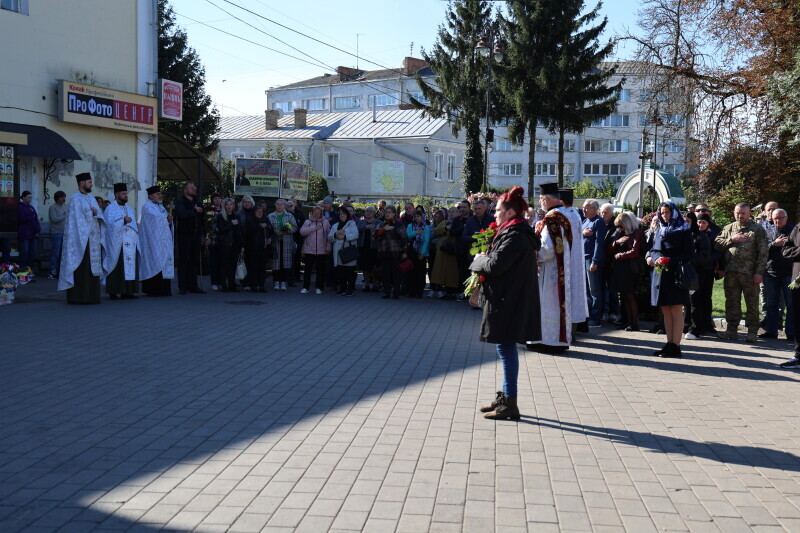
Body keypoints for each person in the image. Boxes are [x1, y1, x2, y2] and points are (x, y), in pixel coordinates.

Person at [471, 187, 541, 421]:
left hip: (509, 300)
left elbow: (495, 266)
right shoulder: (512, 231)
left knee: (506, 348)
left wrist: (479, 261)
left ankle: (510, 402)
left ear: (510, 212)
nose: (495, 214)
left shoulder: (516, 235)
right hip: (508, 297)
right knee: (505, 347)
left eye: (498, 210)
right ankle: (506, 397)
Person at [529, 183, 574, 353]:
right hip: (560, 269)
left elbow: (547, 250)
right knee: (554, 306)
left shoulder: (551, 220)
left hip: (549, 273)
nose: (540, 202)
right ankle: (555, 340)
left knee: (547, 305)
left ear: (547, 199)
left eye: (541, 199)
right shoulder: (563, 216)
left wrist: (531, 255)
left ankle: (547, 341)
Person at [646, 202, 694, 358]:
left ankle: (676, 345)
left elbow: (689, 254)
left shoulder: (684, 229)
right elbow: (654, 249)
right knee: (665, 308)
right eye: (662, 213)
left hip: (675, 274)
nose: (664, 215)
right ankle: (669, 343)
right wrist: (656, 258)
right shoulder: (660, 229)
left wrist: (668, 260)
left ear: (673, 213)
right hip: (661, 273)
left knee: (675, 309)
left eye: (667, 212)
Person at [715, 203, 768, 342]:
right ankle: (731, 330)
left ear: (749, 213)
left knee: (751, 303)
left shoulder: (757, 229)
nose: (740, 216)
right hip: (731, 273)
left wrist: (759, 272)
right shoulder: (729, 228)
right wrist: (731, 240)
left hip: (749, 274)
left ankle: (752, 332)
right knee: (731, 302)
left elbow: (763, 253)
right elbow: (717, 245)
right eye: (737, 213)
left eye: (743, 213)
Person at [58, 173, 106, 304]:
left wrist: (96, 214)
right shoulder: (75, 199)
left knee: (92, 269)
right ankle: (79, 297)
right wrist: (92, 213)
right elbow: (77, 220)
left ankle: (92, 296)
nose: (92, 184)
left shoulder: (91, 198)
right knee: (82, 269)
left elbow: (99, 214)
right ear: (82, 183)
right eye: (89, 182)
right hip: (80, 241)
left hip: (93, 241)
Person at [103, 183, 140, 299]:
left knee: (130, 266)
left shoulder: (128, 208)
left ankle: (128, 291)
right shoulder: (110, 208)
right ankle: (113, 291)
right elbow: (109, 225)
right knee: (117, 267)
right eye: (123, 194)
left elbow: (134, 225)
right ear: (116, 194)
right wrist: (123, 221)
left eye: (126, 193)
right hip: (117, 243)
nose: (126, 195)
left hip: (130, 242)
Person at [559, 188, 589, 332]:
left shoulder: (565, 214)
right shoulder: (575, 214)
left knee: (569, 293)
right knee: (575, 293)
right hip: (575, 258)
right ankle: (574, 327)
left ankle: (569, 329)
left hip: (568, 258)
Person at [762, 209, 794, 340]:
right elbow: (763, 249)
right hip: (771, 273)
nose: (777, 221)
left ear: (786, 218)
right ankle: (771, 331)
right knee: (771, 304)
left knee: (791, 305)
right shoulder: (768, 231)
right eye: (775, 218)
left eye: (780, 218)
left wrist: (786, 244)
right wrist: (775, 244)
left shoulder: (794, 230)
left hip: (789, 273)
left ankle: (791, 333)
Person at [609, 211, 644, 331]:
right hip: (620, 268)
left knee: (630, 295)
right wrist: (616, 242)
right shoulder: (620, 233)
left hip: (629, 268)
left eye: (621, 226)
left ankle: (634, 324)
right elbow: (609, 248)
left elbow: (635, 251)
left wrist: (620, 255)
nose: (620, 228)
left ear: (627, 224)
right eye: (618, 226)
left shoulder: (637, 233)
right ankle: (628, 321)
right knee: (624, 296)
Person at [138, 185, 174, 297]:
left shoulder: (161, 207)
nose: (160, 195)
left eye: (160, 193)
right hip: (152, 242)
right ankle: (153, 290)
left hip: (163, 242)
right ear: (150, 196)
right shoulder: (147, 207)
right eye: (157, 194)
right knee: (155, 262)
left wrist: (169, 220)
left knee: (163, 263)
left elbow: (164, 222)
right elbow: (154, 220)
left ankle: (164, 289)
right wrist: (165, 218)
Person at [682, 212, 712, 338]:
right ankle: (685, 325)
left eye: (688, 221)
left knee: (695, 301)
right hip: (683, 272)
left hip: (697, 273)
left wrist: (690, 259)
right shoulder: (681, 235)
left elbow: (705, 256)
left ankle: (695, 328)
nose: (685, 224)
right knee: (685, 301)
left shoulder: (700, 236)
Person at [692, 213, 721, 337]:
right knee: (695, 299)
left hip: (708, 270)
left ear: (708, 224)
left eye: (703, 222)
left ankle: (707, 324)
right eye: (699, 222)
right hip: (695, 270)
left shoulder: (713, 236)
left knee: (706, 297)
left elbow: (718, 252)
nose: (700, 225)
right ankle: (696, 325)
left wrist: (707, 258)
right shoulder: (692, 234)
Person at [174, 182, 205, 294]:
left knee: (194, 260)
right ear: (185, 190)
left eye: (195, 187)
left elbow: (202, 219)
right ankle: (182, 286)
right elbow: (182, 215)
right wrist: (194, 211)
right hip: (184, 235)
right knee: (183, 260)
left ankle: (193, 285)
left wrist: (203, 235)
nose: (194, 189)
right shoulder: (180, 202)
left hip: (196, 235)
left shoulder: (198, 202)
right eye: (192, 188)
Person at [581, 199, 606, 327]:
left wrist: (595, 261)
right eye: (584, 207)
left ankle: (596, 317)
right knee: (586, 290)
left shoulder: (598, 222)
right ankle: (588, 314)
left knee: (594, 290)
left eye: (586, 207)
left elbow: (599, 243)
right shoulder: (585, 221)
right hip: (584, 258)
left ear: (594, 209)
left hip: (591, 259)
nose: (583, 209)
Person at [374, 205, 407, 299]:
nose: (387, 214)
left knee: (396, 274)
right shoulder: (381, 224)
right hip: (384, 252)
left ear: (394, 214)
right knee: (385, 273)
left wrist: (405, 252)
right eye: (386, 212)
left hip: (396, 252)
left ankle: (396, 293)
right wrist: (384, 229)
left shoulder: (398, 225)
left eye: (389, 212)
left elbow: (404, 239)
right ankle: (386, 292)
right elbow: (374, 236)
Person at [779, 221, 800, 367]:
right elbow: (786, 250)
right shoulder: (798, 227)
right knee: (798, 316)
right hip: (798, 280)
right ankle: (799, 356)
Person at [300, 205, 331, 294]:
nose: (317, 214)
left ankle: (319, 287)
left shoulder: (325, 222)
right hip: (309, 249)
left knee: (320, 270)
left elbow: (329, 236)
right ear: (312, 213)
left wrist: (328, 247)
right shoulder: (307, 222)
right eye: (315, 213)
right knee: (308, 270)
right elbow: (302, 232)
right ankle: (306, 287)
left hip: (322, 250)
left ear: (321, 213)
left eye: (318, 213)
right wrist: (314, 228)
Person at [267, 198, 297, 290]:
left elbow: (295, 227)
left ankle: (283, 282)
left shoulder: (289, 216)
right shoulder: (270, 216)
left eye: (281, 204)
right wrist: (275, 233)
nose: (279, 206)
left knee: (285, 263)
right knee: (276, 263)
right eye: (278, 204)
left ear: (285, 206)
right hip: (275, 242)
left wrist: (287, 231)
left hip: (286, 242)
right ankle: (276, 282)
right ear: (275, 205)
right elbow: (267, 229)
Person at [329, 206, 359, 295]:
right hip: (338, 251)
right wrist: (335, 234)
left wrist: (345, 236)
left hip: (348, 251)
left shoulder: (351, 223)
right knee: (340, 271)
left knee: (349, 271)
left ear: (347, 215)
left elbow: (356, 235)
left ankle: (349, 289)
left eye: (344, 214)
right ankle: (342, 288)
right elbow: (329, 237)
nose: (342, 216)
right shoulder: (335, 225)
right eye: (340, 214)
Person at [431, 208, 460, 298]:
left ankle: (452, 290)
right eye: (450, 212)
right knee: (441, 268)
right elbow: (435, 231)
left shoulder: (460, 222)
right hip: (443, 248)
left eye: (454, 211)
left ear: (458, 213)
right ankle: (440, 288)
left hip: (454, 248)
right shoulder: (445, 222)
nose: (451, 213)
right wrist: (445, 228)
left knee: (452, 270)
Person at [216, 198, 243, 292]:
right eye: (227, 204)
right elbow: (220, 230)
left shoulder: (236, 216)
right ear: (224, 206)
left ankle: (232, 284)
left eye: (231, 204)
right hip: (225, 244)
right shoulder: (221, 216)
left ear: (233, 206)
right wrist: (231, 224)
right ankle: (223, 285)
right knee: (224, 265)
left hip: (235, 244)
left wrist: (241, 245)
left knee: (233, 265)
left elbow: (239, 231)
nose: (229, 206)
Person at [599, 202, 620, 323]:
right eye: (601, 212)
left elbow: (610, 244)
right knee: (601, 288)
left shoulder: (615, 228)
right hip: (602, 262)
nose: (603, 214)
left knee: (612, 289)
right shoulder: (600, 225)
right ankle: (604, 312)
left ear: (612, 214)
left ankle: (614, 312)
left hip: (611, 262)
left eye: (605, 212)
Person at [405, 211, 431, 298]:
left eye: (419, 216)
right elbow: (407, 236)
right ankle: (411, 291)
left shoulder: (426, 227)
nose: (417, 218)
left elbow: (426, 240)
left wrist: (422, 253)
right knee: (411, 273)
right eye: (415, 216)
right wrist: (415, 233)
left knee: (420, 273)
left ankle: (419, 292)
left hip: (421, 253)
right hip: (412, 252)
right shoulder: (410, 226)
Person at [356, 206, 381, 292]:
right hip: (363, 247)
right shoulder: (361, 222)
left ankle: (375, 284)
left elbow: (381, 233)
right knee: (365, 267)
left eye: (370, 212)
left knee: (373, 267)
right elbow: (357, 229)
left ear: (374, 213)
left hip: (374, 248)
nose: (368, 213)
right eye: (366, 211)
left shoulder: (378, 222)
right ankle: (366, 284)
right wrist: (367, 227)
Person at [248, 206, 272, 292]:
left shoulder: (266, 220)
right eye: (258, 211)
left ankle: (261, 285)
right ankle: (253, 285)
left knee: (262, 268)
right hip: (253, 248)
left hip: (263, 248)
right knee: (253, 267)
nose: (259, 213)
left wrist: (270, 238)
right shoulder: (250, 220)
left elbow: (271, 231)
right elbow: (248, 232)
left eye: (261, 211)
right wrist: (259, 226)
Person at [452, 200, 472, 299]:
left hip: (470, 249)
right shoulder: (457, 220)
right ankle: (461, 291)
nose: (462, 209)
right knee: (461, 271)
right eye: (461, 207)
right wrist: (462, 227)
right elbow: (452, 232)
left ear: (469, 208)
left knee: (470, 271)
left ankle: (469, 293)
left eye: (464, 207)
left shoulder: (472, 219)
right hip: (459, 249)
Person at [17, 190, 40, 271]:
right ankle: (22, 270)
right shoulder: (20, 207)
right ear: (23, 198)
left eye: (31, 197)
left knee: (32, 253)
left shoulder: (31, 207)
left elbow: (36, 220)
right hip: (24, 233)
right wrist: (31, 216)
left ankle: (30, 270)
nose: (30, 199)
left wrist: (37, 231)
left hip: (32, 234)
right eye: (28, 197)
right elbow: (22, 219)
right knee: (24, 253)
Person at [48, 191, 67, 279]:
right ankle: (52, 271)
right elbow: (54, 219)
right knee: (55, 253)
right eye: (62, 197)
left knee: (62, 254)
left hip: (64, 232)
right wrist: (64, 216)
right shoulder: (53, 207)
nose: (64, 199)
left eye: (64, 197)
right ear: (57, 198)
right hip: (56, 233)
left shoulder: (64, 207)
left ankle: (60, 272)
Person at [287, 198, 306, 286]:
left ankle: (297, 276)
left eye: (293, 204)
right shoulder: (285, 214)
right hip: (288, 239)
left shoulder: (300, 214)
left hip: (297, 239)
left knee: (297, 259)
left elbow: (302, 225)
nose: (290, 206)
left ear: (296, 205)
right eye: (289, 204)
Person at [206, 193, 223, 291]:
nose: (217, 200)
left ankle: (221, 282)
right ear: (212, 200)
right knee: (213, 262)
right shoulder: (210, 210)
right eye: (215, 199)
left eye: (219, 198)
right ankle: (214, 282)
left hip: (223, 240)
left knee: (221, 262)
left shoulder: (224, 209)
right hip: (213, 239)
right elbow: (209, 224)